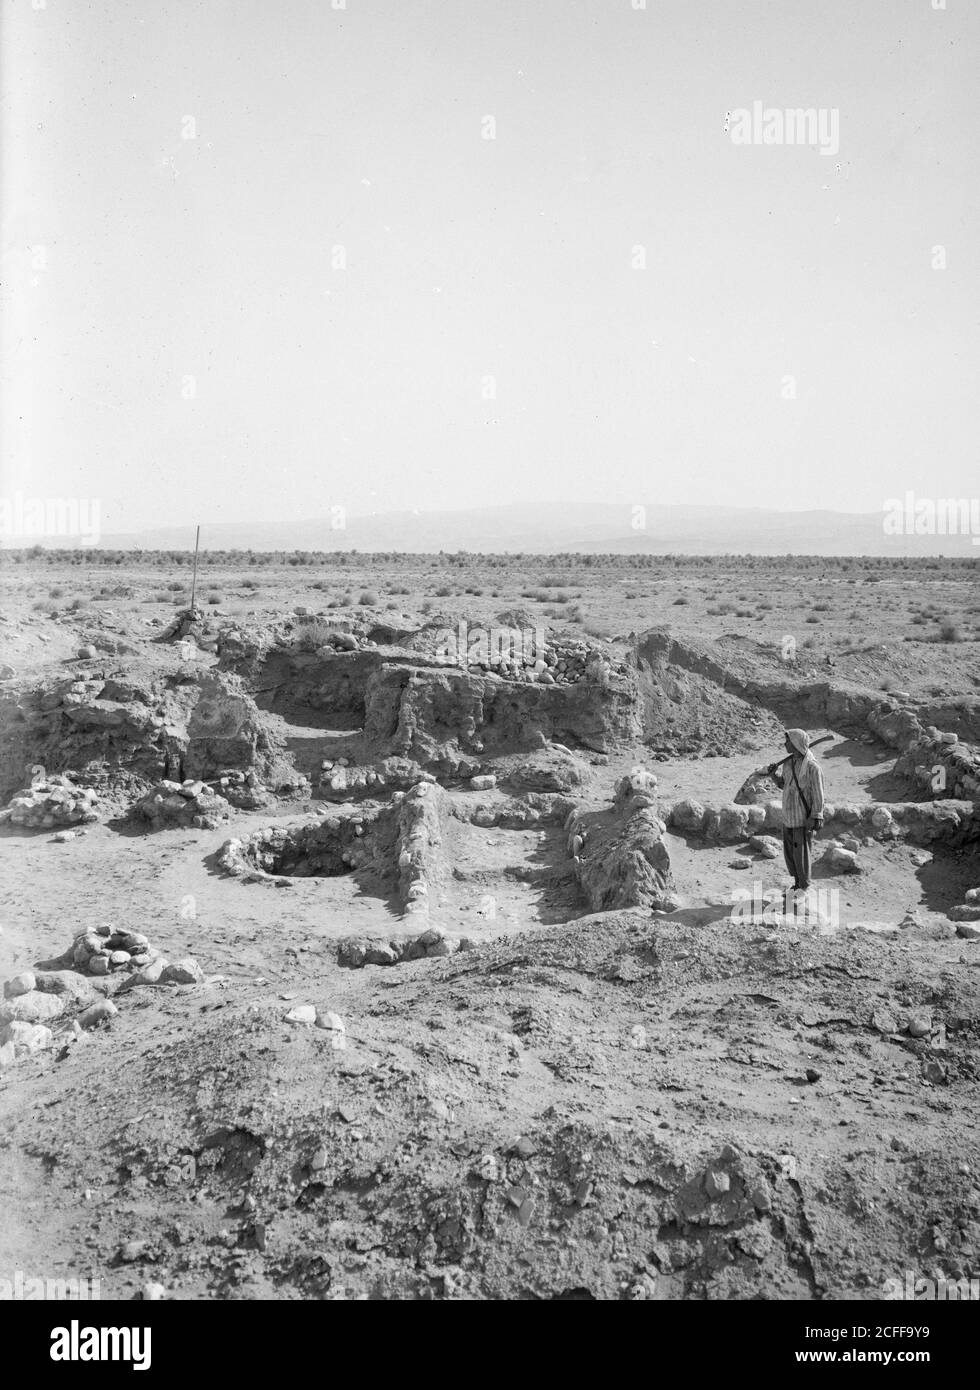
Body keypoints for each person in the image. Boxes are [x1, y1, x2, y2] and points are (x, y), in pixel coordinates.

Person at [767, 728, 825, 894]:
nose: (785, 743)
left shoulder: (813, 767)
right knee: (791, 854)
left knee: (801, 854)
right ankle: (797, 883)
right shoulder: (788, 764)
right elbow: (782, 785)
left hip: (802, 818)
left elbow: (818, 794)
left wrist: (816, 816)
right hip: (788, 816)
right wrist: (773, 775)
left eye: (787, 741)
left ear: (795, 743)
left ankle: (803, 885)